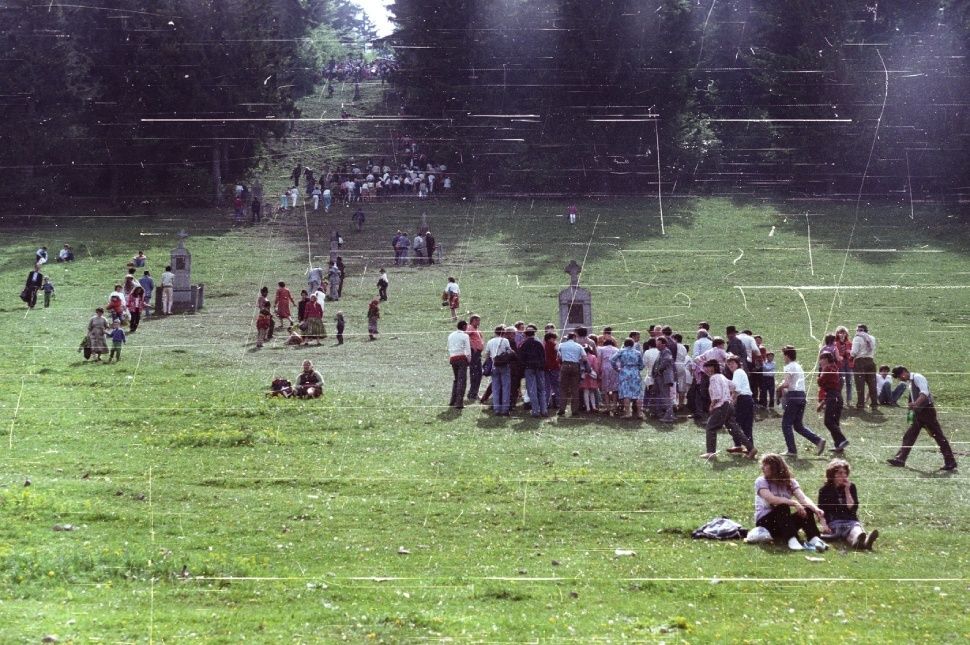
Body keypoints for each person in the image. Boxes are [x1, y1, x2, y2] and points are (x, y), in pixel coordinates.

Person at [886, 366, 958, 471]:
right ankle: (900, 459)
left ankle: (951, 462)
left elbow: (924, 393)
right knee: (909, 436)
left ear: (904, 372)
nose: (900, 379)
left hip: (927, 412)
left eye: (900, 376)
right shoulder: (910, 381)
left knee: (939, 437)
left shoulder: (918, 377)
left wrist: (915, 404)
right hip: (919, 413)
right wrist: (912, 408)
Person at [754, 454, 828, 551]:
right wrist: (794, 503)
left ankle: (814, 538)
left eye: (765, 465)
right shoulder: (761, 481)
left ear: (774, 467)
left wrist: (816, 509)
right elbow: (772, 499)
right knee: (782, 507)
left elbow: (803, 498)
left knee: (807, 509)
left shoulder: (790, 482)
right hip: (766, 524)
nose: (762, 468)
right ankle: (791, 539)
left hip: (784, 523)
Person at [818, 458, 879, 550]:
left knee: (856, 531)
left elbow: (852, 507)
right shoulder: (824, 490)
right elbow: (821, 510)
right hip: (834, 522)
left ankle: (862, 541)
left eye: (845, 473)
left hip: (850, 521)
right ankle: (862, 543)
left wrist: (847, 490)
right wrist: (824, 525)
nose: (843, 476)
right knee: (842, 532)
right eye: (840, 473)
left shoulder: (851, 487)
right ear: (832, 475)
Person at [700, 359, 756, 459]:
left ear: (713, 368)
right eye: (706, 368)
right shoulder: (722, 377)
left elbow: (717, 395)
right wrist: (731, 397)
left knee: (710, 427)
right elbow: (735, 387)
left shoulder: (713, 378)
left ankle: (710, 453)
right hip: (729, 406)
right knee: (735, 430)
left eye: (708, 367)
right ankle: (751, 448)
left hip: (721, 406)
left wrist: (712, 405)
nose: (706, 370)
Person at [776, 346, 826, 457]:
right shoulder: (798, 366)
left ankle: (792, 450)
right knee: (798, 425)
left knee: (786, 424)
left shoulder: (789, 366)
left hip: (793, 396)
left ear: (787, 355)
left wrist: (778, 387)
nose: (783, 358)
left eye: (783, 355)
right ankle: (818, 441)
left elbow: (786, 384)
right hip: (802, 396)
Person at [817, 352, 849, 451]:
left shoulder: (827, 368)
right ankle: (839, 445)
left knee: (828, 421)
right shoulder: (834, 368)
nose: (820, 361)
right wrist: (822, 403)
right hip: (837, 397)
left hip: (833, 397)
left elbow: (820, 382)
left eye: (821, 359)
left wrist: (820, 374)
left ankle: (842, 440)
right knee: (834, 422)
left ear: (826, 359)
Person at [519, 325, 549, 418]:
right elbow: (544, 357)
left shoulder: (524, 344)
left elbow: (521, 358)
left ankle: (535, 411)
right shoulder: (539, 343)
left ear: (526, 335)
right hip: (539, 369)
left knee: (532, 390)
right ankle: (544, 410)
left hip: (529, 368)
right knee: (541, 390)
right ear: (534, 334)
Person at [483, 325, 514, 416]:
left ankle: (496, 408)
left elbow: (487, 354)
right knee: (506, 387)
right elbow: (509, 351)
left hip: (494, 365)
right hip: (504, 365)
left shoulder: (490, 341)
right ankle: (505, 409)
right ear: (503, 332)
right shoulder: (505, 341)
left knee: (495, 388)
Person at [725, 355, 754, 449]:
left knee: (735, 424)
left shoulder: (737, 372)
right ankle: (749, 446)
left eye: (732, 363)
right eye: (728, 364)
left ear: (737, 364)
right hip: (748, 399)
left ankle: (738, 445)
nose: (730, 365)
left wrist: (731, 402)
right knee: (746, 425)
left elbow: (736, 390)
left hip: (742, 399)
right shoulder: (740, 372)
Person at [610, 338, 643, 419]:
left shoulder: (621, 351)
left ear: (624, 344)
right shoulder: (637, 352)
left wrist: (616, 368)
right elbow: (642, 365)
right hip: (635, 372)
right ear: (632, 344)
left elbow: (612, 360)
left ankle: (628, 413)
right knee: (637, 393)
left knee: (626, 393)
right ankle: (639, 413)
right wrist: (637, 368)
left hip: (624, 372)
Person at [850, 323, 878, 410]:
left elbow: (854, 352)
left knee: (860, 384)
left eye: (857, 330)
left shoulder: (857, 338)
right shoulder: (872, 338)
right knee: (872, 384)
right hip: (871, 361)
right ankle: (874, 403)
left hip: (860, 362)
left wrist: (850, 358)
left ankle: (861, 404)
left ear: (859, 330)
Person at [447, 320, 471, 409]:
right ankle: (459, 402)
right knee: (462, 380)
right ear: (464, 326)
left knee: (456, 379)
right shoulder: (465, 336)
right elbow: (468, 350)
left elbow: (449, 346)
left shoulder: (451, 335)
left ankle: (452, 400)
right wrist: (469, 359)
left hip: (453, 358)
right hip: (461, 358)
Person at [597, 338, 620, 416]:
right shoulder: (617, 349)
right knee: (614, 388)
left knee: (606, 388)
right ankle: (614, 407)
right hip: (615, 368)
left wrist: (598, 371)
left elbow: (599, 360)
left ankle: (607, 407)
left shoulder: (601, 349)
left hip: (605, 368)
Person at [466, 314, 485, 402]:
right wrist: (472, 345)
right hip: (474, 354)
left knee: (479, 373)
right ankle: (472, 393)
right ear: (473, 320)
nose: (479, 322)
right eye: (477, 320)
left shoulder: (476, 329)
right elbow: (466, 336)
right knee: (475, 373)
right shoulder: (470, 328)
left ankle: (474, 393)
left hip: (478, 353)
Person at [579, 345, 600, 413]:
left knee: (585, 392)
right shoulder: (593, 357)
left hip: (584, 376)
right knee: (592, 392)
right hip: (591, 376)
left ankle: (587, 407)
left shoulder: (581, 357)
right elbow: (596, 367)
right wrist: (596, 373)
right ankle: (593, 406)